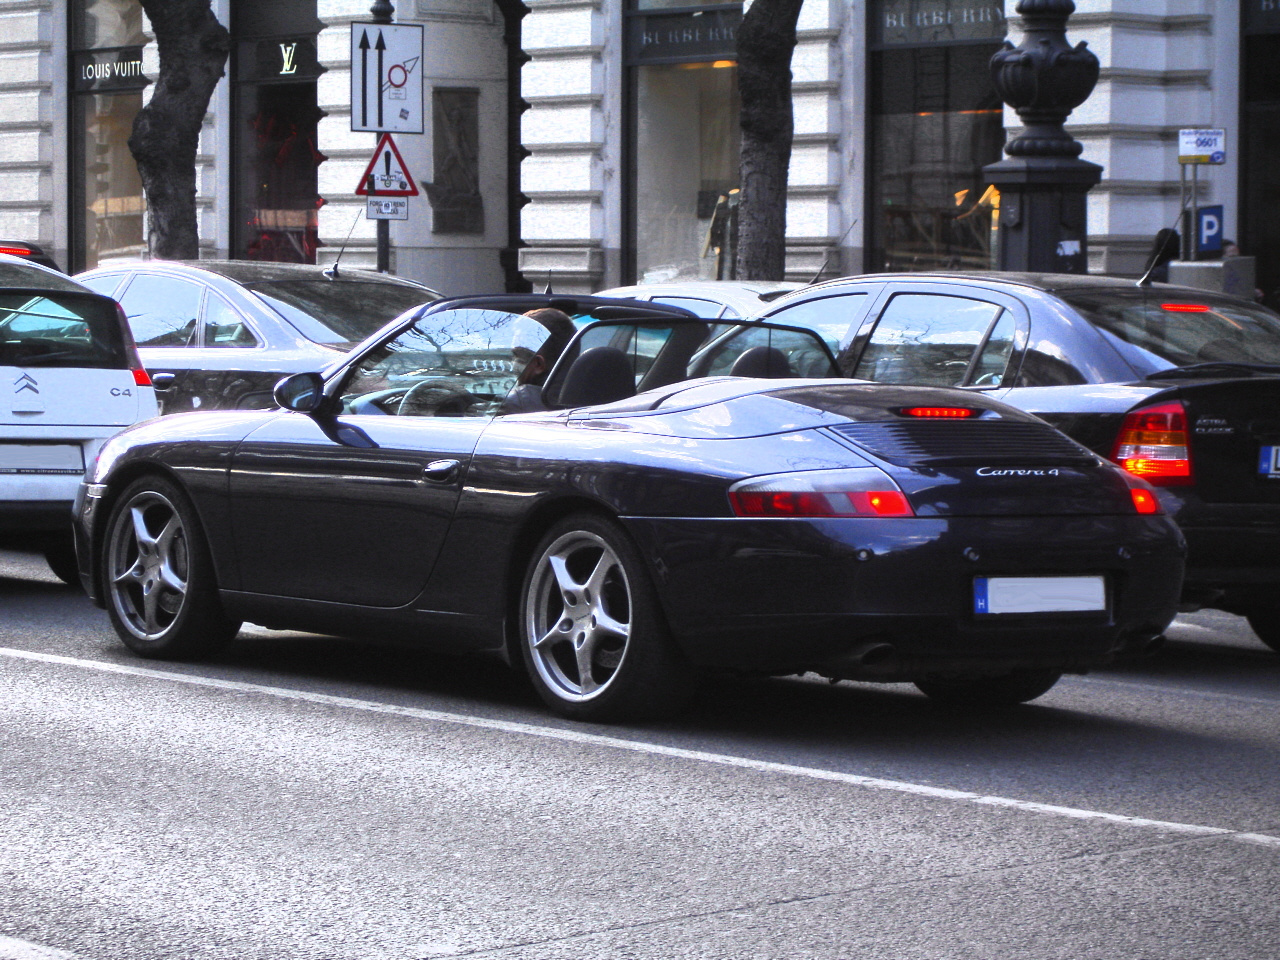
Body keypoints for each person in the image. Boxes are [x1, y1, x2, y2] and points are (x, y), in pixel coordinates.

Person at [499, 307, 575, 414]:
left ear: (539, 364)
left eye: (517, 357)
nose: (512, 365)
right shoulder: (597, 396)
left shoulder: (517, 403)